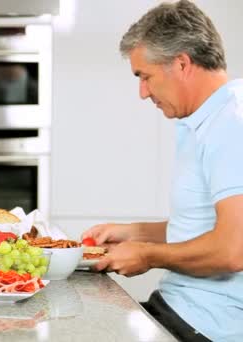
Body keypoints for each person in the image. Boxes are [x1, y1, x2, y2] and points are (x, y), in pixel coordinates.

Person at [81, 1, 243, 341]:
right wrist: (134, 232)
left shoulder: (231, 124)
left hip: (206, 327)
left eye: (145, 76)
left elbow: (233, 249)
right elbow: (204, 227)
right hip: (177, 308)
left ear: (181, 63)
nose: (142, 93)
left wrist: (148, 255)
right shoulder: (204, 120)